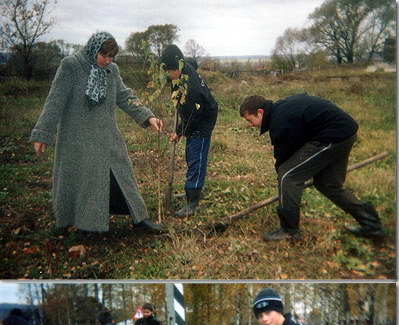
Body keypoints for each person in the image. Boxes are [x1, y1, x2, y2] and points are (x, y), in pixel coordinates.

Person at [30, 31, 164, 236]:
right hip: (77, 139)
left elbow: (125, 96)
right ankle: (84, 225)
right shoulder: (71, 66)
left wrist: (148, 116)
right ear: (94, 50)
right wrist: (42, 133)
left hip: (107, 136)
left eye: (112, 57)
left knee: (122, 173)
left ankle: (140, 219)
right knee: (85, 181)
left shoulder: (112, 70)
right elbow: (55, 101)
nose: (108, 61)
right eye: (104, 56)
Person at [239, 94, 386, 241]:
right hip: (344, 132)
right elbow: (291, 149)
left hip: (334, 135)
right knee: (328, 184)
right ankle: (372, 226)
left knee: (287, 177)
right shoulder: (280, 111)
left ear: (260, 112)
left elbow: (284, 157)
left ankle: (289, 230)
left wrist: (284, 179)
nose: (250, 125)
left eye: (249, 120)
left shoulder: (280, 120)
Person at [161, 44, 218, 217]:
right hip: (194, 116)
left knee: (196, 159)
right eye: (166, 71)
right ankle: (189, 191)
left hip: (203, 120)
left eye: (171, 71)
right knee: (190, 154)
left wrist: (179, 131)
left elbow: (192, 116)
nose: (168, 75)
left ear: (178, 68)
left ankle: (193, 202)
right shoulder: (184, 66)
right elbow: (192, 61)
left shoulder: (190, 88)